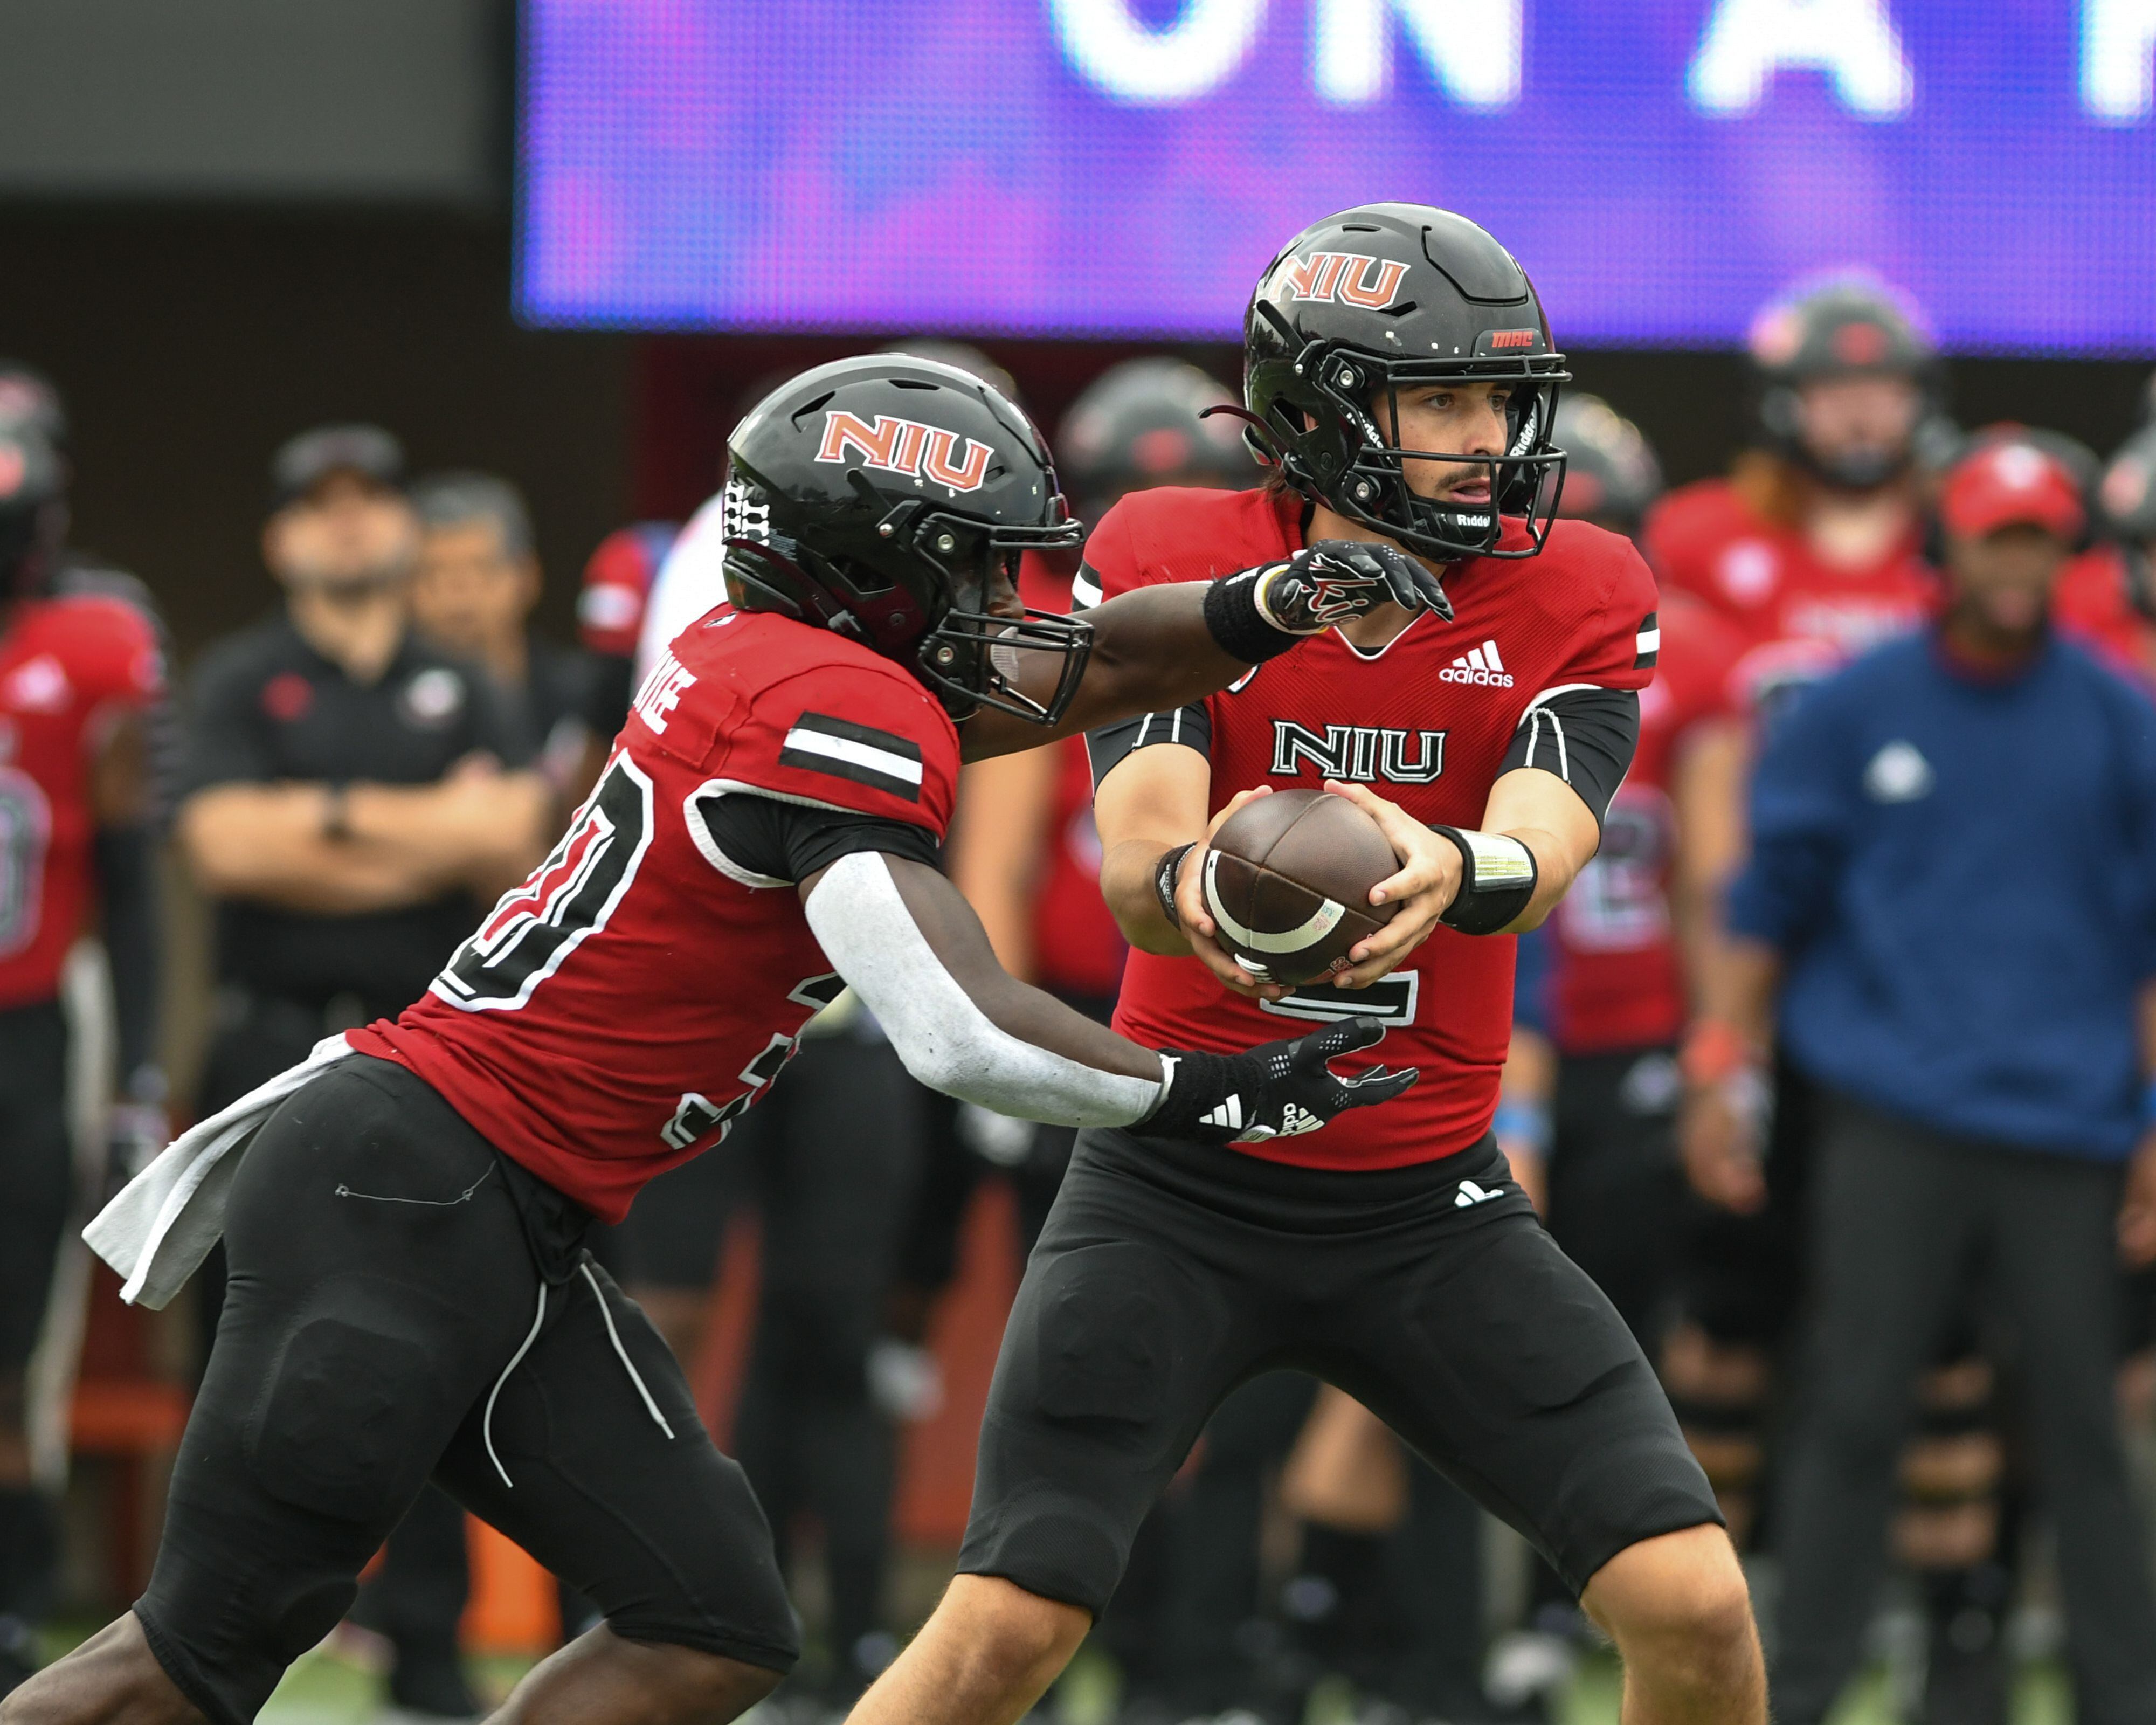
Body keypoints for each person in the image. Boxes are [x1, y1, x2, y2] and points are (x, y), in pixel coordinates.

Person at [13, 354, 1441, 1725]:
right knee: (187, 1667)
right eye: (973, 559)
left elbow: (1071, 666)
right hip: (408, 1199)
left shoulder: (773, 657)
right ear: (878, 563)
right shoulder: (834, 705)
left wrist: (1269, 603)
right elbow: (952, 1027)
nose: (1006, 596)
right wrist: (1208, 1091)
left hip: (485, 1203)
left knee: (710, 1626)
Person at [843, 205, 1761, 1725]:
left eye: (1500, 398)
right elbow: (1140, 864)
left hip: (1427, 1202)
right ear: (1327, 410)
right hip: (1178, 1186)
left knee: (1697, 1607)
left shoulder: (1579, 584)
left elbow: (1548, 826)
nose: (1494, 438)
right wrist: (1204, 883)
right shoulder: (1175, 551)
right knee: (1002, 1631)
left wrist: (1463, 865)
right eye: (1449, 400)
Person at [1701, 433, 2156, 1725]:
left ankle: (2120, 1695)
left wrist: (2152, 1121)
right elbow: (1767, 901)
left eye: (2038, 541)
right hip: (1887, 1114)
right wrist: (1720, 1062)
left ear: (2063, 556)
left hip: (2066, 1124)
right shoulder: (1858, 703)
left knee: (2080, 1433)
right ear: (1945, 545)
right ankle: (1799, 1691)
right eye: (1994, 535)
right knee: (1850, 1411)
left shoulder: (2117, 715)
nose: (2016, 564)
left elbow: (2147, 944)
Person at [170, 424, 556, 1723]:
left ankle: (431, 1670)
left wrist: (317, 822)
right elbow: (222, 848)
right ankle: (199, 1658)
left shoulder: (469, 681)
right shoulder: (236, 679)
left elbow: (505, 843)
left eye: (369, 502)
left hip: (423, 1048)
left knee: (430, 1350)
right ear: (281, 537)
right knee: (235, 1358)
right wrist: (410, 827)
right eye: (318, 506)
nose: (346, 524)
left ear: (400, 528)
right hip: (261, 1039)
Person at [1650, 276, 1943, 1558]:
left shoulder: (1959, 547)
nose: (1864, 414)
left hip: (1918, 966)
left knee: (1929, 1307)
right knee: (1731, 1297)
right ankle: (1723, 1583)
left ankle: (1925, 1593)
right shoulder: (1702, 538)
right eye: (1838, 388)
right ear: (1785, 401)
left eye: (1885, 387)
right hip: (1754, 954)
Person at [0, 422, 163, 1696]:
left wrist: (140, 1073)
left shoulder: (95, 649)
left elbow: (128, 874)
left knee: (13, 1334)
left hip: (26, 1020)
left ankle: (10, 1591)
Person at [411, 472, 598, 797]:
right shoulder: (382, 706)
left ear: (527, 576)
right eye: (432, 574)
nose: (457, 599)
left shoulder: (584, 697)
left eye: (481, 569)